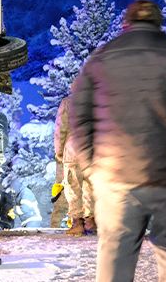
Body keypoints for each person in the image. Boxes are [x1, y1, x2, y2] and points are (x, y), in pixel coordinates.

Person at [70, 0, 166, 282]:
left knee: (116, 254)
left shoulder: (101, 58)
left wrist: (92, 166)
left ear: (125, 24)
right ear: (159, 24)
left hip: (116, 178)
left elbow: (79, 118)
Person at [54, 95, 95, 235]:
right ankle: (91, 222)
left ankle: (77, 223)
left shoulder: (68, 102)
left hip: (74, 149)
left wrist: (59, 152)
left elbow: (61, 128)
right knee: (92, 187)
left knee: (73, 187)